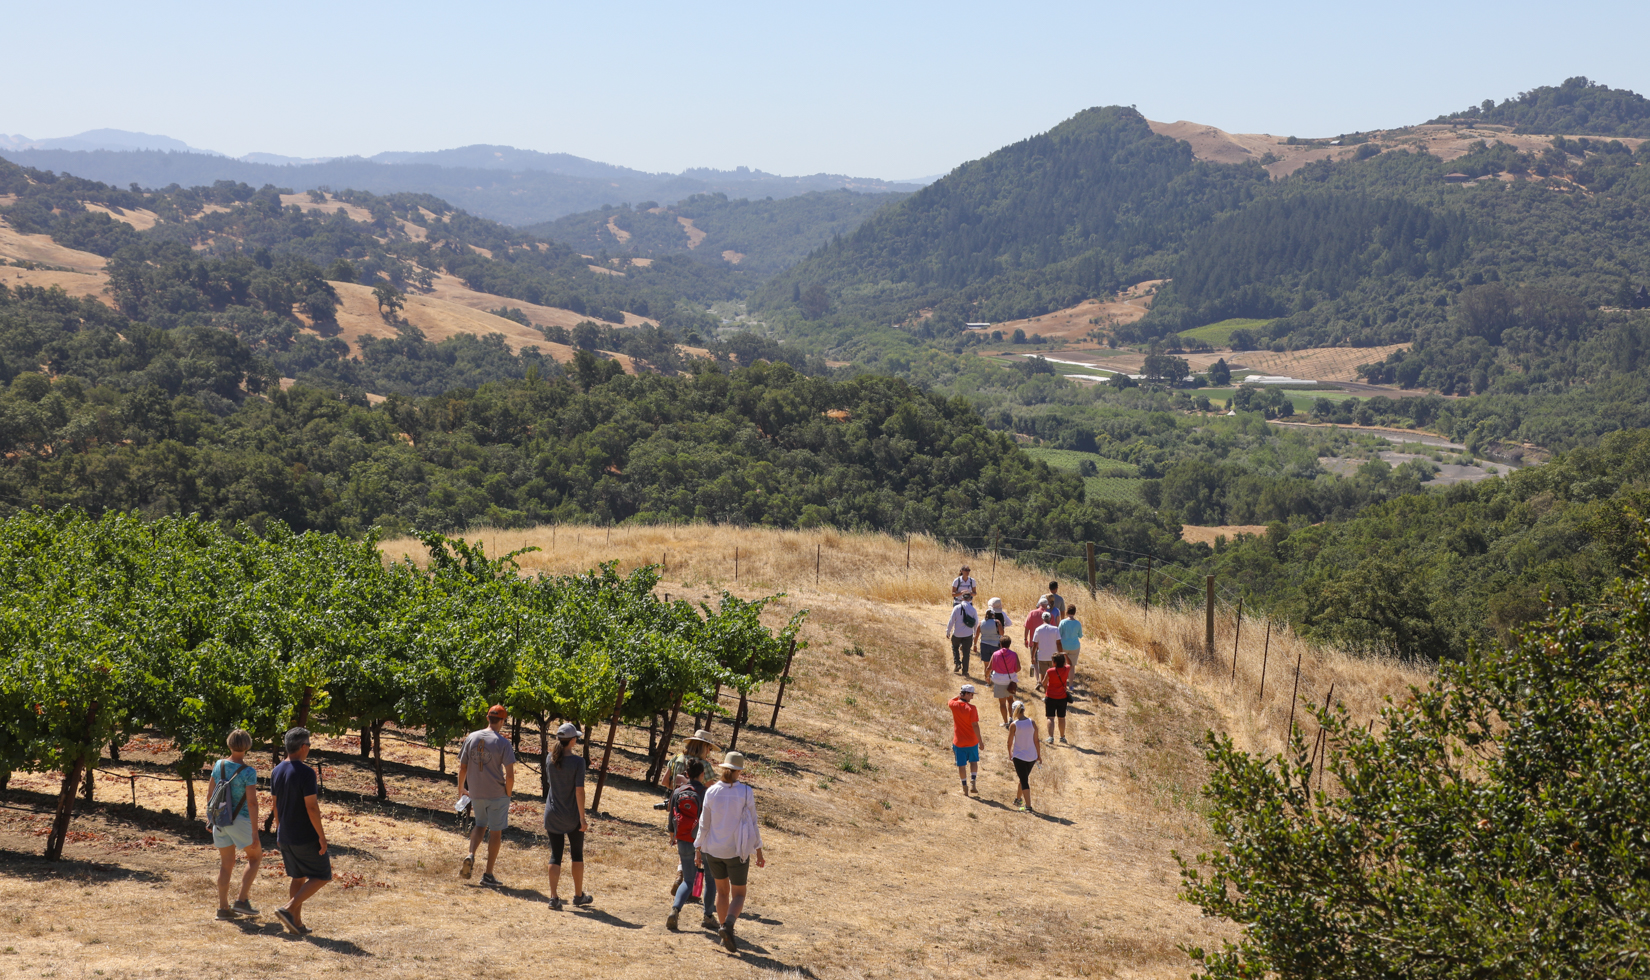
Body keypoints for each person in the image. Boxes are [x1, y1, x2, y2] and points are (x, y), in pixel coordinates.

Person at [695, 751, 766, 953]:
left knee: (722, 892)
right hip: (737, 850)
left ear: (723, 768)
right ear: (738, 772)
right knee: (739, 894)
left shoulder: (711, 792)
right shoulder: (745, 792)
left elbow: (704, 824)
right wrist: (759, 851)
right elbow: (753, 823)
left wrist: (698, 848)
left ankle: (724, 930)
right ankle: (728, 926)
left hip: (713, 850)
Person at [271, 727, 330, 935]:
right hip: (304, 836)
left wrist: (279, 830)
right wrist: (321, 837)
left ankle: (296, 924)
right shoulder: (306, 772)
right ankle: (287, 910)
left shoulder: (276, 770)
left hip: (285, 835)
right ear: (303, 747)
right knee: (322, 875)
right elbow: (311, 807)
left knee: (298, 877)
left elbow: (275, 805)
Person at [457, 704, 516, 887]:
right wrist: (507, 793)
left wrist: (461, 789)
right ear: (503, 721)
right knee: (496, 832)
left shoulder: (472, 737)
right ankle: (488, 874)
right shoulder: (503, 743)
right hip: (496, 794)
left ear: (487, 718)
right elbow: (510, 775)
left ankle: (471, 854)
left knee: (480, 824)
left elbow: (463, 767)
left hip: (476, 792)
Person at [209, 729, 262, 920]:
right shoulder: (248, 772)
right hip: (240, 820)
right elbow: (252, 802)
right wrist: (255, 831)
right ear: (247, 745)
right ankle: (241, 900)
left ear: (229, 743)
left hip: (220, 819)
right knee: (255, 857)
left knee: (226, 864)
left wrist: (210, 819)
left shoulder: (219, 765)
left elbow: (210, 796)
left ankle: (223, 908)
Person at [543, 722, 592, 910]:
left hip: (553, 814)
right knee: (577, 854)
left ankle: (554, 897)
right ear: (572, 741)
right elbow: (579, 791)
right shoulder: (578, 762)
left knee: (555, 855)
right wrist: (582, 818)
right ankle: (578, 896)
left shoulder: (550, 758)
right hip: (572, 816)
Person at [665, 759, 718, 932]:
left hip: (684, 838)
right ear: (702, 775)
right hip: (705, 842)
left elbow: (671, 818)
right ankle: (708, 916)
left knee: (688, 879)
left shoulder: (678, 791)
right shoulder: (707, 793)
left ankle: (675, 910)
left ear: (686, 774)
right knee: (711, 879)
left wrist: (673, 835)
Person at [1005, 701, 1042, 813]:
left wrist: (1010, 753)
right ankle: (1018, 800)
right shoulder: (1032, 722)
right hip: (1031, 756)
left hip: (1019, 757)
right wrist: (1038, 755)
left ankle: (1028, 806)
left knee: (1024, 780)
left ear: (1013, 711)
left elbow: (1009, 742)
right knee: (1023, 778)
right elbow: (1036, 741)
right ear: (1024, 710)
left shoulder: (1014, 725)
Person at [658, 729, 719, 795]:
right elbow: (709, 789)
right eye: (710, 748)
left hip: (675, 801)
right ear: (704, 747)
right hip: (695, 803)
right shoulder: (705, 765)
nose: (709, 752)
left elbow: (664, 782)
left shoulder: (677, 758)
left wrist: (679, 790)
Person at [949, 683, 983, 796]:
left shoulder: (953, 705)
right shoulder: (972, 708)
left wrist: (959, 696)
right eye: (971, 695)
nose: (972, 697)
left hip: (958, 742)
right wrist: (981, 741)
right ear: (967, 694)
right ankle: (973, 781)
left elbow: (950, 700)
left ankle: (964, 786)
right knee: (974, 761)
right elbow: (975, 725)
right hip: (972, 741)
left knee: (961, 765)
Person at [988, 639, 1022, 725]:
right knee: (1010, 701)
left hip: (999, 681)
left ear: (1000, 644)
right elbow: (1018, 668)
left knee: (1002, 703)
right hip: (1011, 681)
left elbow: (989, 667)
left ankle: (1006, 722)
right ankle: (1011, 718)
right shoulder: (1014, 654)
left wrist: (986, 676)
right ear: (1009, 644)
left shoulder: (995, 654)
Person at [1031, 611, 1064, 690]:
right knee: (1054, 674)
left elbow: (1035, 644)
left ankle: (1046, 693)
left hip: (1042, 656)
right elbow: (1059, 643)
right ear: (1050, 619)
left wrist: (1033, 657)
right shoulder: (1055, 629)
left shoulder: (1038, 629)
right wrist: (1061, 655)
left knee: (1043, 676)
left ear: (1042, 619)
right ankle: (1053, 691)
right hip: (1054, 657)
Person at [1044, 654, 1072, 744]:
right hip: (1062, 698)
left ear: (1054, 662)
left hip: (1051, 697)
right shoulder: (1066, 669)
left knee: (1050, 718)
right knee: (1062, 718)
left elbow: (1044, 682)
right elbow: (1070, 664)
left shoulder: (1050, 671)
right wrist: (1065, 655)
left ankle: (1051, 737)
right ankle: (1062, 737)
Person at [977, 598, 1011, 673]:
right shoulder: (1001, 617)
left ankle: (987, 680)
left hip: (984, 644)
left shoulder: (982, 622)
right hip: (996, 643)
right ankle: (993, 677)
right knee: (996, 663)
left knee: (986, 665)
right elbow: (1008, 624)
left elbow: (977, 632)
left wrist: (975, 644)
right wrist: (1001, 627)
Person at [946, 599, 978, 674]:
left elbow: (951, 621)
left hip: (957, 633)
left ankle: (957, 663)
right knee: (966, 652)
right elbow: (976, 623)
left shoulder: (957, 608)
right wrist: (975, 634)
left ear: (962, 598)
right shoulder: (973, 609)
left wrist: (948, 631)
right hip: (968, 634)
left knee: (955, 647)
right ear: (970, 599)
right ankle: (965, 670)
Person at [1059, 604, 1084, 678]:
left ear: (1067, 612)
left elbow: (1058, 634)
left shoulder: (1063, 622)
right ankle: (1071, 685)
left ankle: (1063, 682)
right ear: (1074, 612)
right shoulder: (1078, 623)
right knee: (1072, 666)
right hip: (1074, 646)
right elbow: (1080, 635)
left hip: (1064, 646)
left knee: (1062, 665)